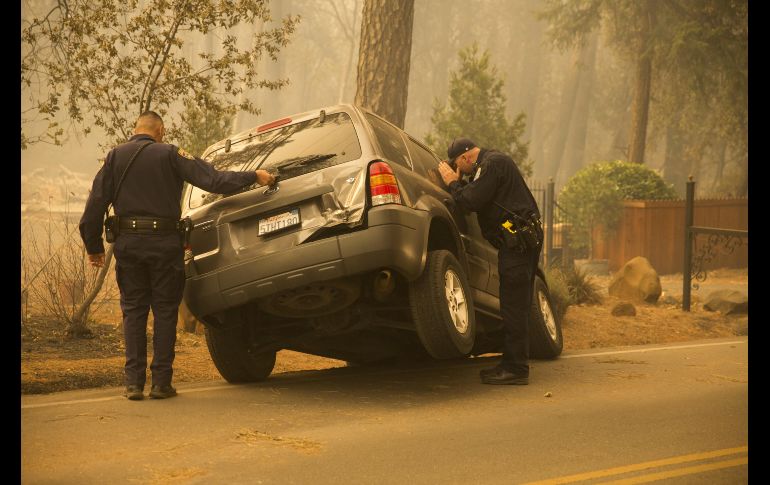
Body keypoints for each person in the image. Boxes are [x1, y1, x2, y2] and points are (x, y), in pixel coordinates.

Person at [79, 111, 275, 400]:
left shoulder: (115, 156)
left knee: (133, 312)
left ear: (136, 129)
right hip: (164, 245)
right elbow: (214, 180)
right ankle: (161, 383)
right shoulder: (170, 154)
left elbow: (94, 206)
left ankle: (133, 384)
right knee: (164, 312)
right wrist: (253, 176)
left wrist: (94, 247)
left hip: (129, 246)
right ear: (160, 130)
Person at [437, 137, 542, 385]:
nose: (459, 171)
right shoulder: (494, 163)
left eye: (458, 166)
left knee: (513, 305)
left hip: (516, 244)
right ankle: (515, 363)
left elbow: (469, 201)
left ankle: (515, 368)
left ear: (464, 158)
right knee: (518, 303)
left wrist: (452, 182)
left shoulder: (492, 164)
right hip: (521, 241)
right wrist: (460, 180)